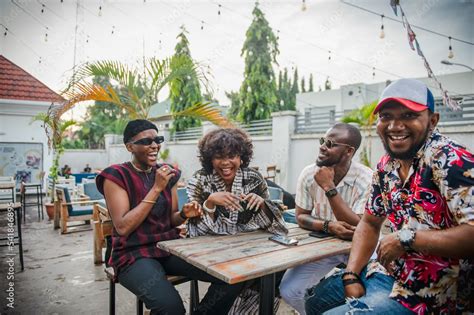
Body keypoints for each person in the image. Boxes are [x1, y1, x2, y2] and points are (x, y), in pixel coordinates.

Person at [305, 78, 474, 314]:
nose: (395, 126)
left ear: (432, 121)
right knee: (314, 299)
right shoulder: (386, 166)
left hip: (434, 293)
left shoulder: (451, 161)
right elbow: (370, 223)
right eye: (386, 116)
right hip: (388, 273)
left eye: (408, 115)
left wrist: (407, 239)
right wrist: (351, 273)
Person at [96, 119, 245, 315]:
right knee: (170, 307)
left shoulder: (168, 173)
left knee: (233, 275)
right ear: (129, 146)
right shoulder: (116, 175)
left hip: (169, 248)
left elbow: (171, 220)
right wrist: (157, 188)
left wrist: (183, 214)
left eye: (157, 140)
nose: (154, 145)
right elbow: (123, 227)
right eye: (146, 141)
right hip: (132, 255)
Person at [186, 127, 288, 313]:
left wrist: (263, 205)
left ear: (241, 157)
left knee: (276, 267)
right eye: (218, 156)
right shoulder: (200, 180)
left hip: (245, 247)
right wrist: (210, 203)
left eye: (232, 155)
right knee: (233, 274)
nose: (225, 162)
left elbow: (277, 228)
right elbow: (194, 233)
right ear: (210, 159)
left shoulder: (254, 179)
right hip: (209, 250)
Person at [279, 123, 373, 315]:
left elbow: (361, 227)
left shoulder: (368, 179)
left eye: (330, 143)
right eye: (323, 141)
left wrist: (329, 188)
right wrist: (328, 226)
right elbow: (301, 216)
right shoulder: (308, 173)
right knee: (289, 290)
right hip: (325, 246)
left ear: (348, 151)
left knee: (370, 291)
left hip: (363, 247)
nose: (322, 146)